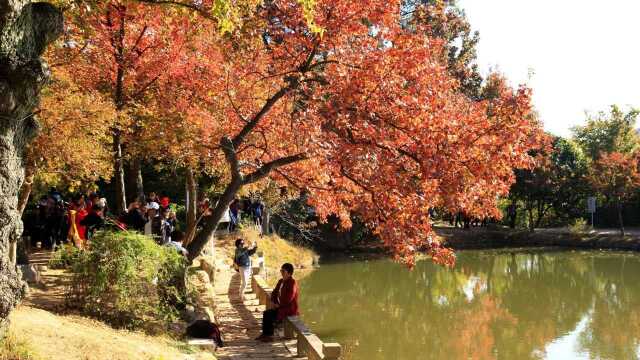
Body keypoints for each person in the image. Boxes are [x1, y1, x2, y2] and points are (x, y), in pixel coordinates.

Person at [255, 263, 299, 342]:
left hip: (288, 309)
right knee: (266, 313)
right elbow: (274, 293)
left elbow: (289, 298)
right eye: (281, 270)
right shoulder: (281, 281)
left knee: (269, 315)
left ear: (289, 273)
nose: (281, 273)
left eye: (283, 271)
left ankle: (269, 335)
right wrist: (274, 302)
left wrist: (278, 305)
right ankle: (266, 334)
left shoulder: (292, 283)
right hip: (280, 307)